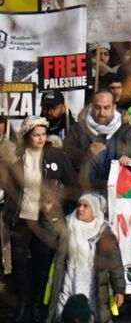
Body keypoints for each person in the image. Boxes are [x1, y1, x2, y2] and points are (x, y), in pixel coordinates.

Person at [3, 117, 77, 315]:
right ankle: (23, 304)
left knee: (42, 262)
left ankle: (38, 305)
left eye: (43, 134)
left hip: (46, 218)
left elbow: (71, 184)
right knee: (19, 263)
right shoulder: (16, 156)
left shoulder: (56, 156)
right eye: (36, 135)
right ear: (27, 136)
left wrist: (56, 200)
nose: (41, 139)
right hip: (21, 217)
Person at [42, 194, 122, 323]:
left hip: (92, 285)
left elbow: (115, 264)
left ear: (95, 211)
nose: (80, 209)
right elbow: (49, 233)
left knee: (91, 316)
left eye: (86, 206)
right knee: (65, 315)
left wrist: (119, 289)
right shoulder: (67, 225)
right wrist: (48, 213)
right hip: (69, 281)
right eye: (79, 205)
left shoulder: (104, 233)